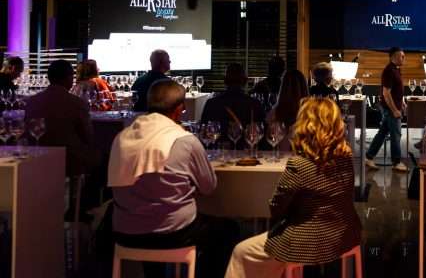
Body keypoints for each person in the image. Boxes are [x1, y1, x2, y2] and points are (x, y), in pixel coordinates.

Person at [109, 79, 237, 278]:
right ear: (178, 109)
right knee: (228, 230)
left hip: (125, 232)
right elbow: (209, 187)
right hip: (174, 234)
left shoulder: (121, 137)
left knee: (150, 216)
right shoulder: (185, 141)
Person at [224, 97, 361, 278]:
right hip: (344, 235)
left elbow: (276, 209)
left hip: (306, 242)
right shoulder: (345, 159)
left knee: (241, 251)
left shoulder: (299, 164)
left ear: (305, 125)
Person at [25, 60, 99, 177]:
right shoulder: (77, 103)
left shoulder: (31, 102)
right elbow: (88, 137)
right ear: (69, 78)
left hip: (38, 158)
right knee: (103, 157)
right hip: (70, 162)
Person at [365, 47, 408, 172]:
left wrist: (402, 102)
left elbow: (396, 90)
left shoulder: (396, 70)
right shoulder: (389, 71)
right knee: (396, 134)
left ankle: (369, 157)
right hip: (390, 109)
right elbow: (386, 93)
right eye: (401, 56)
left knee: (382, 133)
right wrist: (394, 110)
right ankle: (396, 162)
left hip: (393, 107)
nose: (403, 58)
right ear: (393, 57)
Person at [201, 63, 264, 147]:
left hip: (217, 151)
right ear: (245, 81)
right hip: (246, 151)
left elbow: (203, 133)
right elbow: (262, 135)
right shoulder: (255, 104)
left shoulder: (211, 103)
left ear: (224, 81)